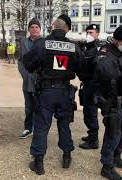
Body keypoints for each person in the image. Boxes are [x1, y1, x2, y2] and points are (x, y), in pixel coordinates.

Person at [23, 14, 83, 175]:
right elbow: (83, 71)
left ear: (53, 26)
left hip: (46, 92)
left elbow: (28, 64)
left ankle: (38, 163)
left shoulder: (42, 44)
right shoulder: (74, 47)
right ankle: (66, 156)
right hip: (65, 93)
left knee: (42, 126)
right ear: (67, 29)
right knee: (64, 125)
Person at [94, 25, 122, 180]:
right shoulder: (106, 51)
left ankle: (116, 156)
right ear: (116, 40)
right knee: (113, 133)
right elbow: (103, 70)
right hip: (111, 101)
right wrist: (120, 64)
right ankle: (107, 166)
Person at [78, 24, 102, 150]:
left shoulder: (98, 49)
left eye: (91, 32)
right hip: (86, 84)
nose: (89, 35)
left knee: (91, 113)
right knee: (87, 112)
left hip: (93, 86)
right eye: (87, 32)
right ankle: (91, 135)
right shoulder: (88, 48)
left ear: (97, 33)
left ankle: (94, 140)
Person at [18, 18, 42, 139]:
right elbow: (20, 60)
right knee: (28, 106)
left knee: (40, 106)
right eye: (32, 27)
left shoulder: (44, 42)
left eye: (36, 27)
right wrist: (24, 74)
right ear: (29, 29)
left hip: (40, 80)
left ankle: (39, 129)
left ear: (40, 29)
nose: (34, 29)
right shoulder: (23, 42)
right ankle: (28, 127)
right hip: (27, 79)